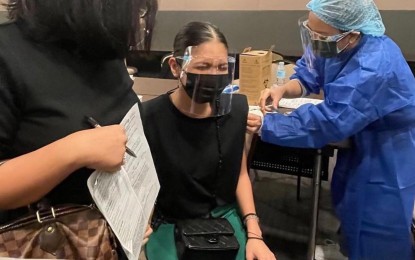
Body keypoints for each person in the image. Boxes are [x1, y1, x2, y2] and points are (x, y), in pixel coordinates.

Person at [247, 0, 415, 259]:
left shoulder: (373, 66)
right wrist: (283, 89)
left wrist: (269, 123)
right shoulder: (337, 44)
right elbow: (309, 71)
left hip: (388, 151)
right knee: (349, 207)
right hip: (358, 139)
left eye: (321, 35)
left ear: (353, 34)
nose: (316, 40)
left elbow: (330, 121)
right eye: (311, 32)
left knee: (377, 227)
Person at [0, 0, 157, 257]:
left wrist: (133, 214)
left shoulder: (105, 51)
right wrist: (75, 150)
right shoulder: (7, 52)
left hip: (110, 244)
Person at [142, 21, 276, 260]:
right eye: (203, 66)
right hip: (169, 223)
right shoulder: (150, 117)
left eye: (222, 67)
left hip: (222, 219)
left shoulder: (235, 111)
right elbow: (142, 185)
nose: (213, 76)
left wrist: (255, 234)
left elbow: (240, 174)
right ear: (176, 66)